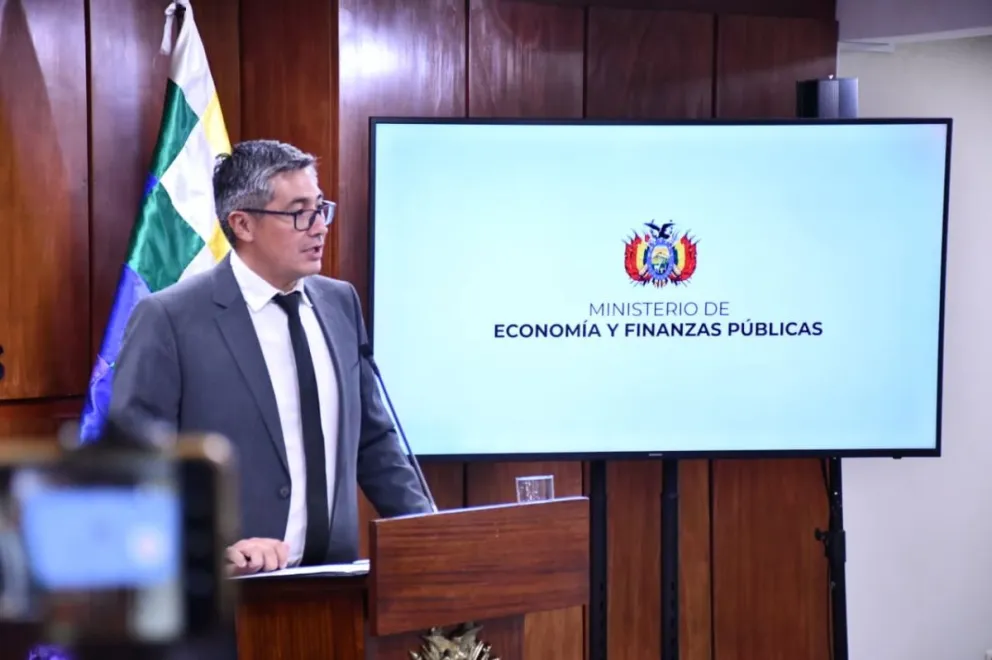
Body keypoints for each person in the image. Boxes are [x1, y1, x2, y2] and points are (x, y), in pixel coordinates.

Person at [109, 139, 432, 576]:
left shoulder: (339, 302)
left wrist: (431, 534)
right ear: (242, 224)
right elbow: (135, 465)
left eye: (321, 209)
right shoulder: (171, 317)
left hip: (335, 586)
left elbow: (373, 441)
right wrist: (207, 548)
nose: (319, 227)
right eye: (299, 213)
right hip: (235, 591)